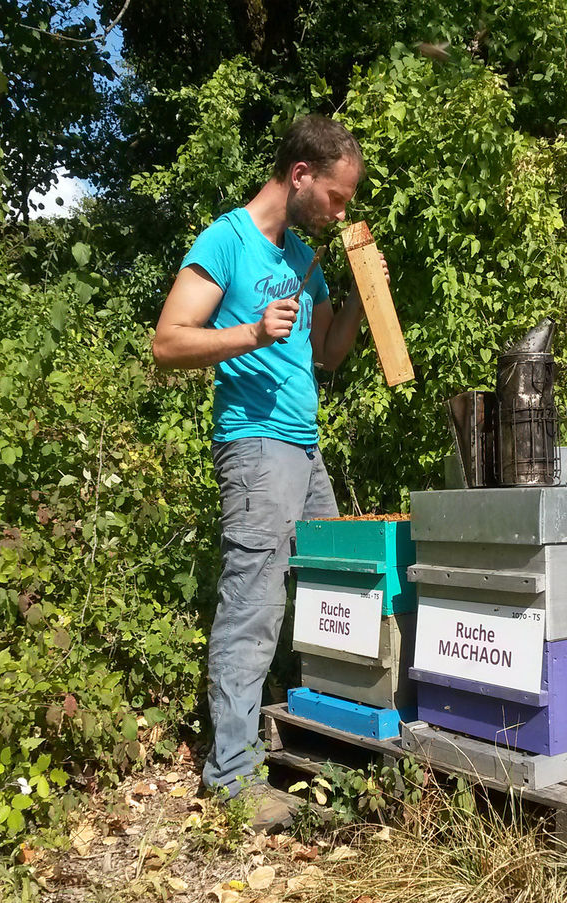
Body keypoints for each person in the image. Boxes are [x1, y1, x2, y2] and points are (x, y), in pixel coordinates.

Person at [152, 115, 388, 822]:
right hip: (255, 447)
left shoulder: (300, 258)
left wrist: (359, 293)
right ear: (300, 175)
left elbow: (327, 355)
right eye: (336, 197)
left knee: (339, 589)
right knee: (254, 605)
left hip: (305, 449)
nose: (339, 212)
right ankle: (230, 777)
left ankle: (328, 741)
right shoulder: (226, 241)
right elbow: (167, 343)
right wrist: (250, 332)